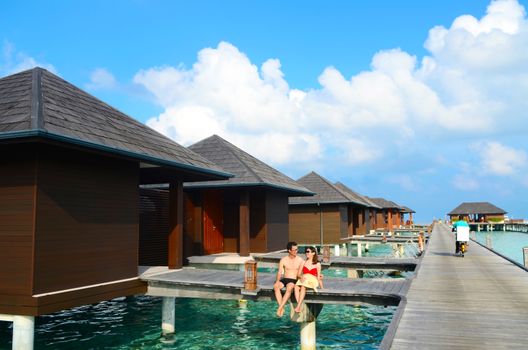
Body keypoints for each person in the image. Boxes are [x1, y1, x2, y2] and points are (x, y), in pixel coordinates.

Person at [274, 241, 304, 317]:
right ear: (289, 250)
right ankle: (282, 307)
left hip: (294, 280)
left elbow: (300, 273)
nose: (296, 251)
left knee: (289, 287)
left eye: (297, 249)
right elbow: (280, 272)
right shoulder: (283, 260)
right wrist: (277, 281)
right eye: (295, 250)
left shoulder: (300, 260)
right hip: (285, 279)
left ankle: (279, 308)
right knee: (276, 286)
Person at [294, 246, 323, 313]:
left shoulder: (318, 264)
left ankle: (298, 307)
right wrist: (301, 277)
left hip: (312, 280)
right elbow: (298, 274)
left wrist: (321, 287)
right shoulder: (303, 262)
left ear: (313, 253)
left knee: (303, 287)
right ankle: (300, 305)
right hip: (304, 279)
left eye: (308, 252)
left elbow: (318, 277)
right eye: (306, 252)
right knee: (295, 287)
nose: (306, 253)